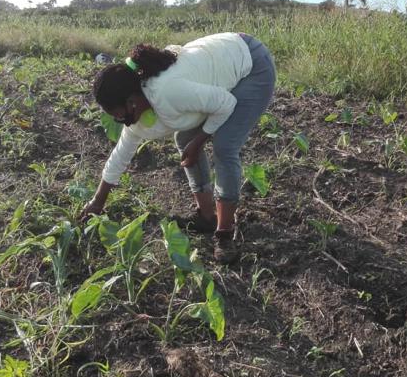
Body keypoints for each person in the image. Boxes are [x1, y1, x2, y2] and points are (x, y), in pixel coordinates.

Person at [81, 32, 276, 263]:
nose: (119, 121)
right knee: (184, 138)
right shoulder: (141, 105)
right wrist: (97, 202)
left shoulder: (167, 92)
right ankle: (206, 217)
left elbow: (226, 103)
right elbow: (120, 155)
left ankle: (224, 234)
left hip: (252, 65)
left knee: (224, 146)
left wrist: (200, 140)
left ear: (131, 102)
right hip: (221, 63)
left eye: (118, 115)